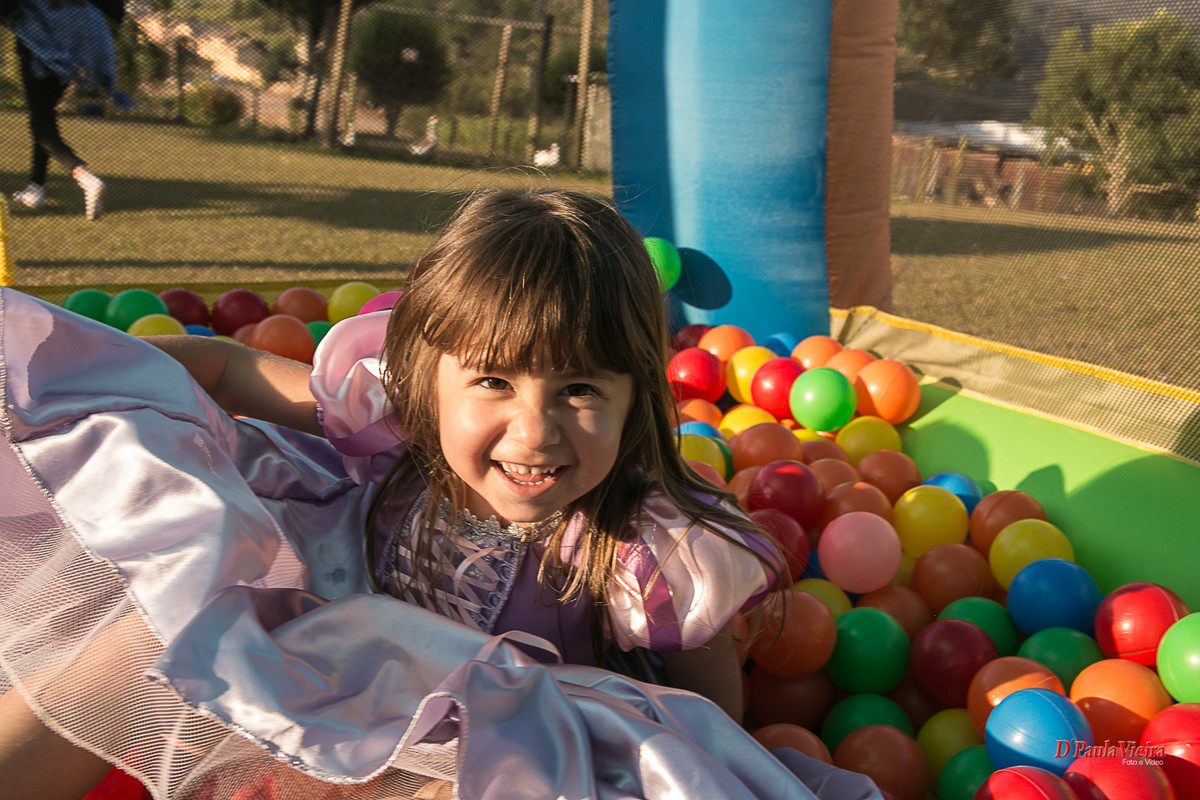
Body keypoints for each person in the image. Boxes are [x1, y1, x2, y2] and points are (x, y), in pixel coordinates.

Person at [0, 189, 881, 800]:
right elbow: (229, 365)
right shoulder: (397, 425)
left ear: (636, 397)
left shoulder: (644, 550)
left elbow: (706, 725)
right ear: (425, 380)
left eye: (579, 391)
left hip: (497, 757)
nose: (534, 432)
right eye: (494, 382)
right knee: (148, 628)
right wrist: (135, 383)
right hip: (335, 692)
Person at [2, 0, 130, 220]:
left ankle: (85, 178)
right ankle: (36, 187)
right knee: (44, 118)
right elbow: (114, 14)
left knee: (42, 129)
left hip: (37, 50)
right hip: (71, 50)